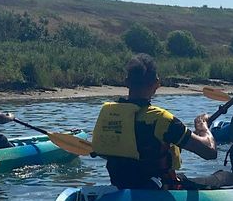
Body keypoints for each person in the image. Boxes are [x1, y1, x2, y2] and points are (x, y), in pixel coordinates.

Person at [91, 54, 218, 190]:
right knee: (225, 177)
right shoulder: (161, 119)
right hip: (159, 191)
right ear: (157, 83)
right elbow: (209, 152)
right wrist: (202, 126)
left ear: (126, 81)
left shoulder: (110, 114)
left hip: (120, 188)